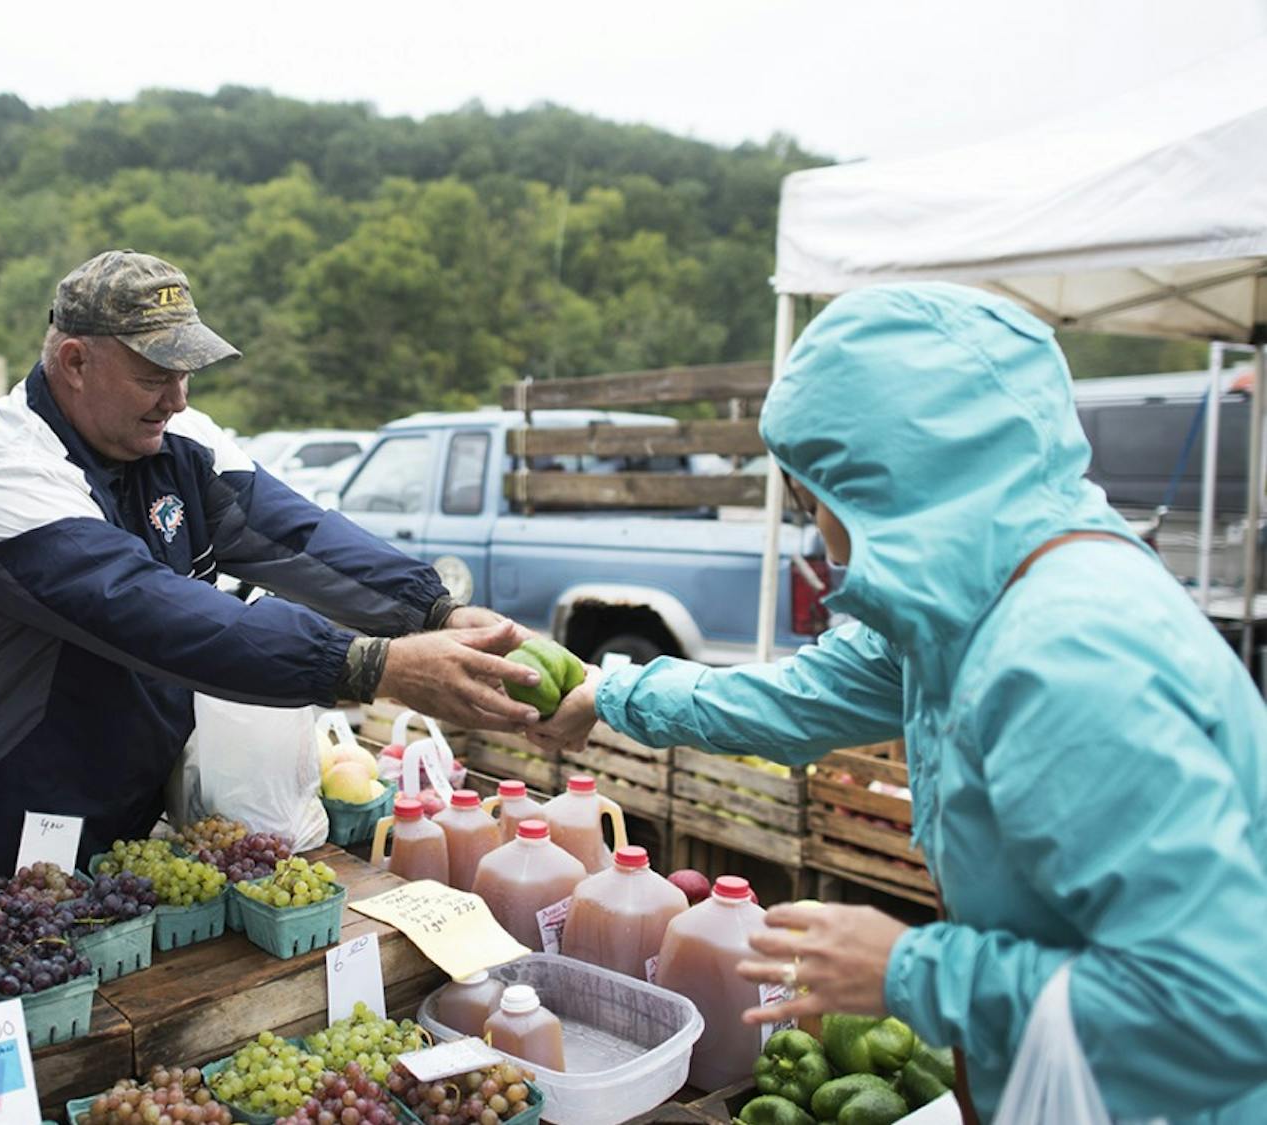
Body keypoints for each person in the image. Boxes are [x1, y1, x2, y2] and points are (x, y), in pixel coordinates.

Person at [529, 283, 1267, 1123]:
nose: (823, 535)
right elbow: (798, 699)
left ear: (884, 487)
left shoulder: (1062, 655)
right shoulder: (975, 601)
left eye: (817, 497)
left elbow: (1222, 1001)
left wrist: (909, 970)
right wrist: (609, 692)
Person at [0, 249, 542, 889]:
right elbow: (145, 609)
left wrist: (437, 610)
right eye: (156, 374)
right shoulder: (6, 477)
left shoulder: (175, 439)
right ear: (75, 362)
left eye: (187, 373)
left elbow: (299, 536)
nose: (177, 400)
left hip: (127, 821)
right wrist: (376, 667)